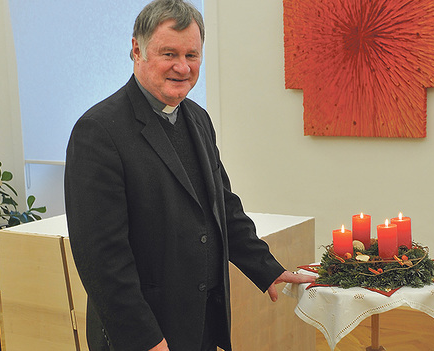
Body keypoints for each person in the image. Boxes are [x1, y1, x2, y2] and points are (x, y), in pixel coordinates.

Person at [64, 0, 314, 350]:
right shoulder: (98, 131)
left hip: (202, 319)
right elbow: (101, 259)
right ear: (137, 50)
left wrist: (265, 266)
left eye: (192, 55)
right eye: (169, 54)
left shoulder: (197, 118)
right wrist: (145, 339)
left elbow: (221, 205)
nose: (182, 67)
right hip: (146, 331)